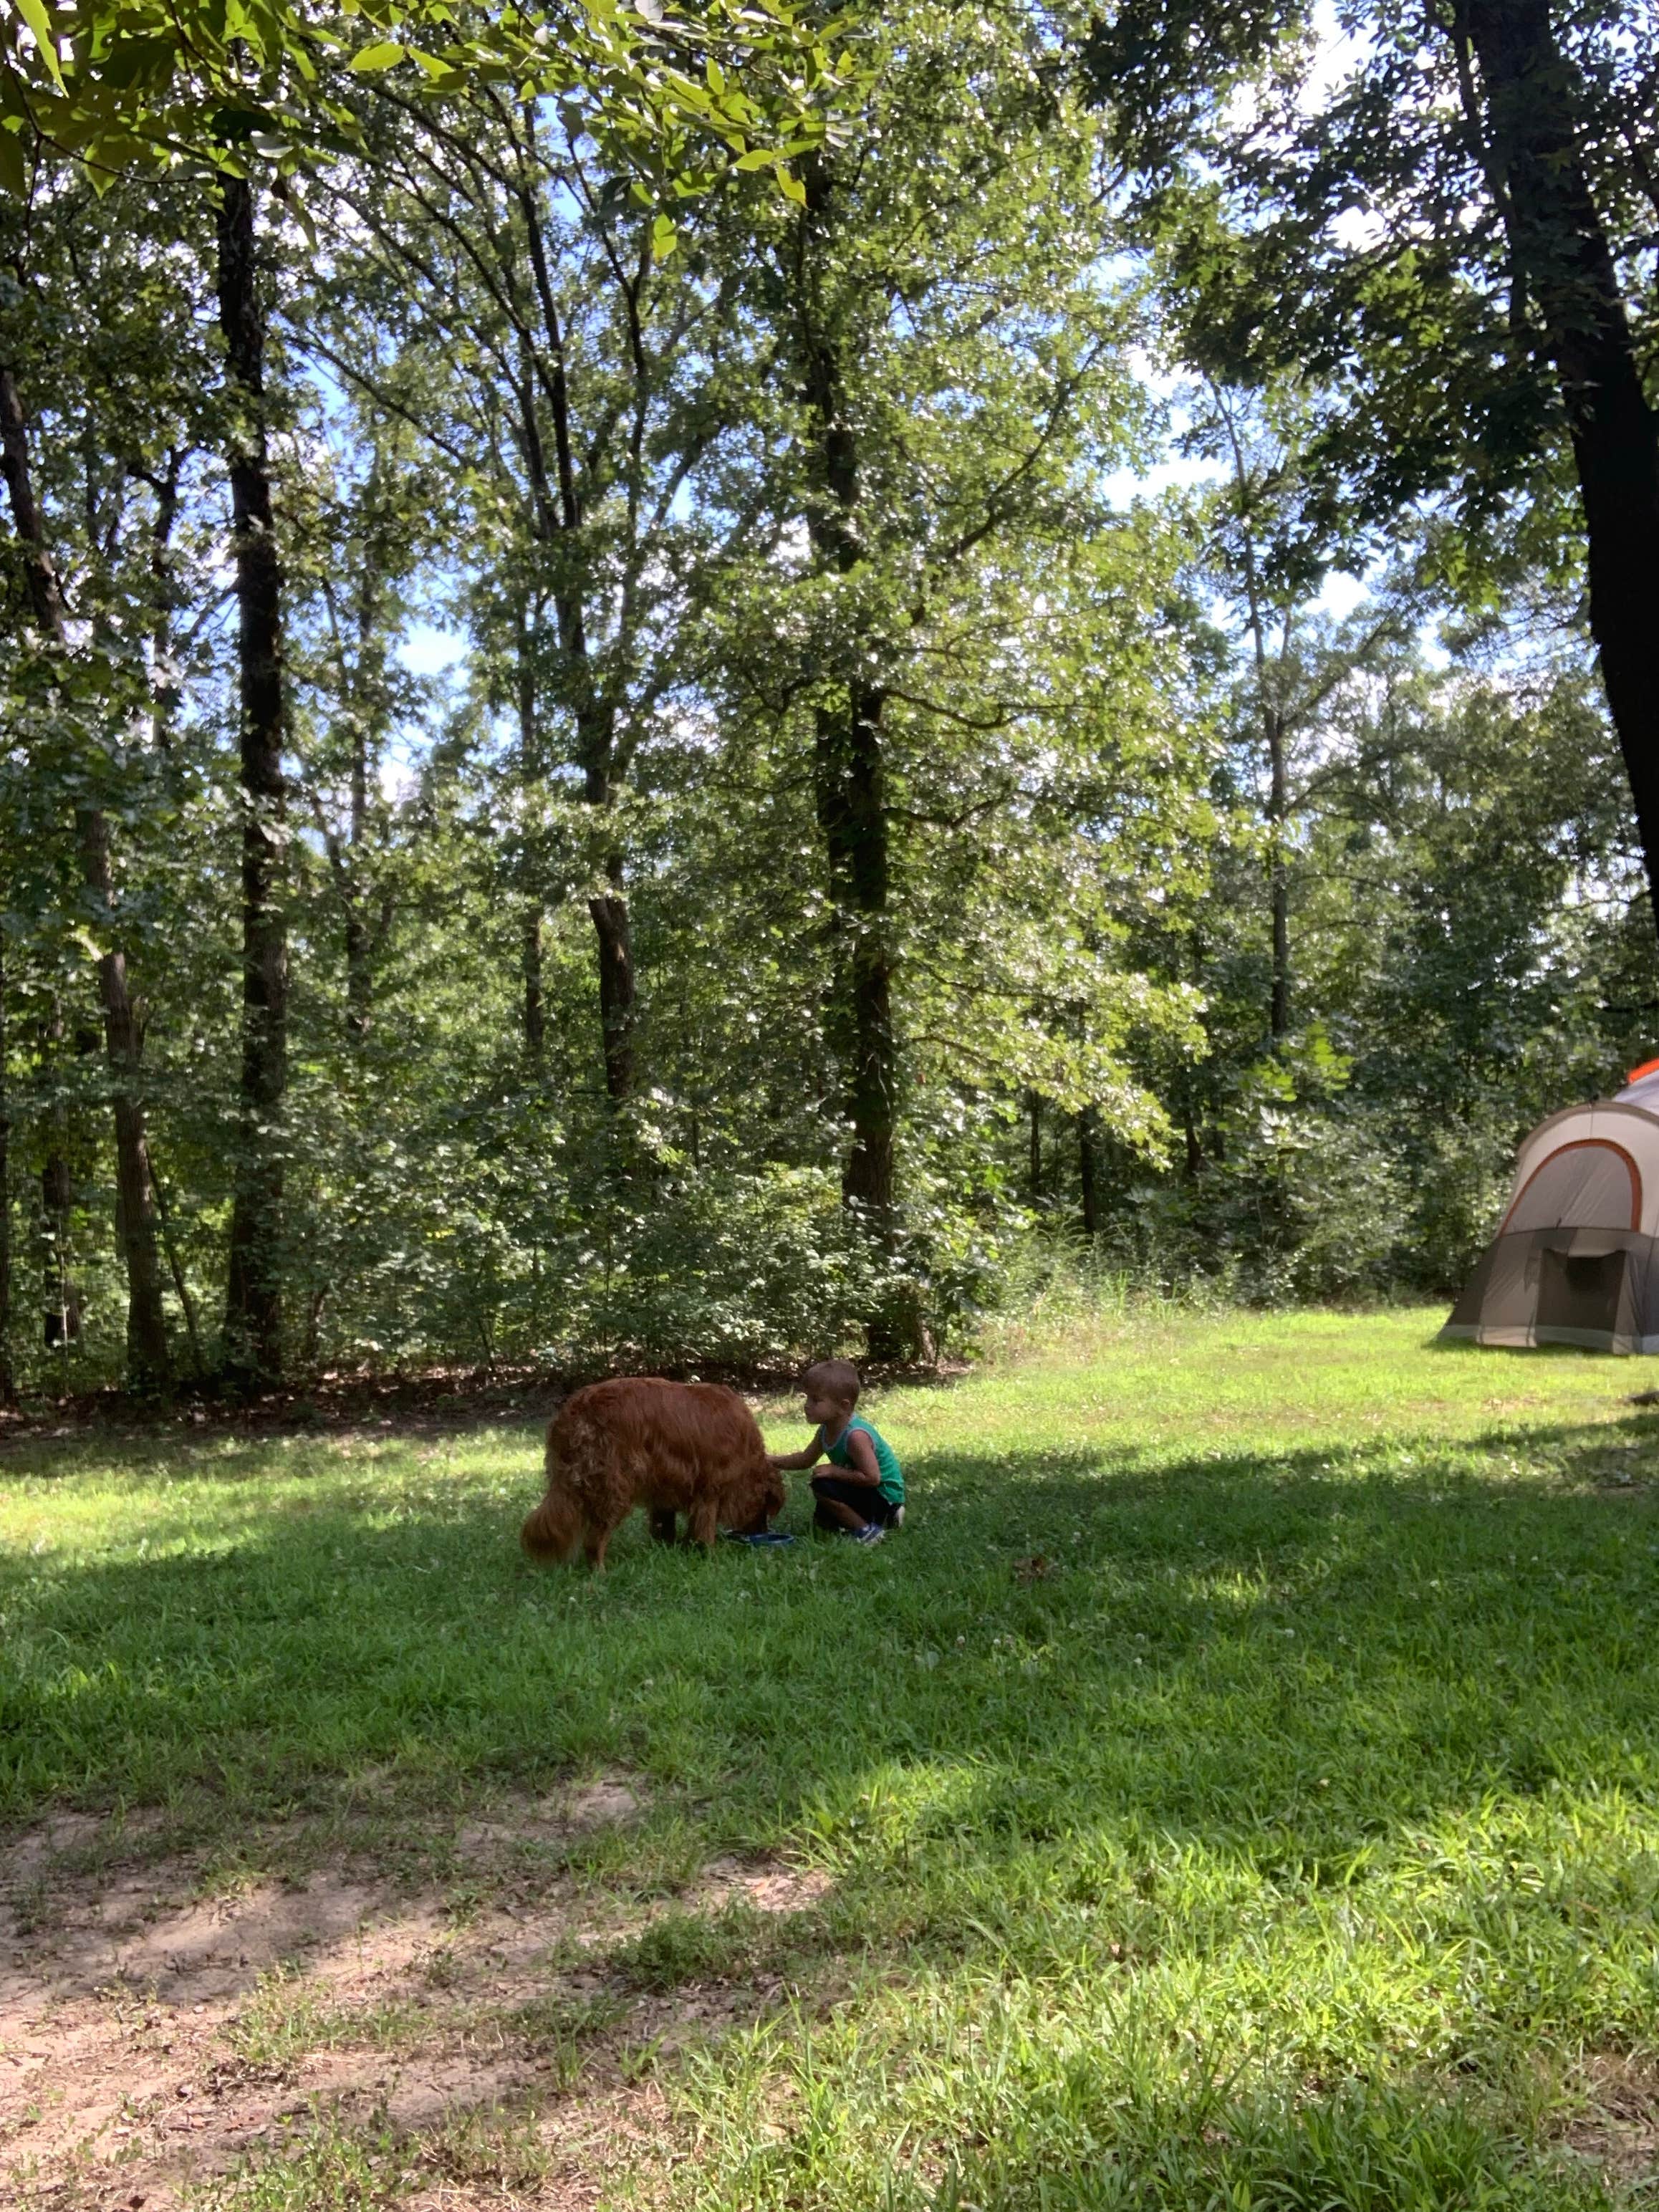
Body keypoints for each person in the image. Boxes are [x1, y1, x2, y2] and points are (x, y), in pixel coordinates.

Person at [769, 1358, 905, 1545]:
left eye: (816, 1400)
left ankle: (868, 1531)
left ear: (844, 1406)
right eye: (807, 1398)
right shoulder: (826, 1430)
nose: (807, 1405)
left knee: (823, 1486)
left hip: (883, 1495)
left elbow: (873, 1478)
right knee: (823, 1522)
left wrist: (835, 1471)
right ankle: (878, 1520)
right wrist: (769, 1460)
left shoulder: (855, 1436)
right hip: (865, 1491)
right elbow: (805, 1460)